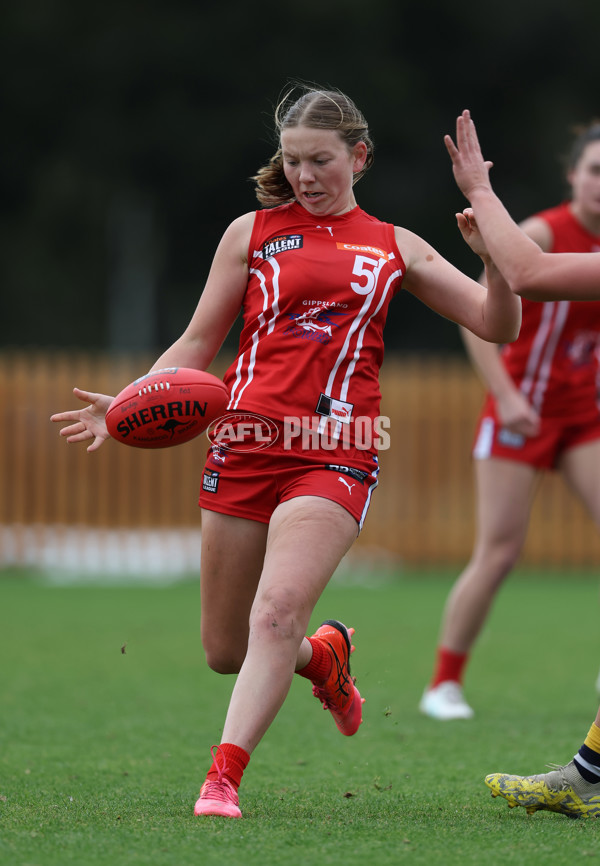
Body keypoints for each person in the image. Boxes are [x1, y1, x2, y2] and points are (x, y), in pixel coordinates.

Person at [50, 89, 520, 819]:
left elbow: (497, 324)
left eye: (321, 161)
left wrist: (494, 262)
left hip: (336, 452)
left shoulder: (396, 245)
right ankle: (323, 657)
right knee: (227, 648)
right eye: (293, 161)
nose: (305, 175)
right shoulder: (251, 232)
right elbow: (198, 345)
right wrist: (130, 400)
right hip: (241, 446)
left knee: (275, 613)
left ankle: (222, 778)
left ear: (358, 158)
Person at [443, 108, 600, 818]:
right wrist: (503, 393)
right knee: (499, 550)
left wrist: (478, 186)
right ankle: (445, 681)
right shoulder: (544, 226)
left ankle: (587, 775)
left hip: (578, 416)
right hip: (524, 411)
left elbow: (530, 275)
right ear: (574, 175)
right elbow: (511, 285)